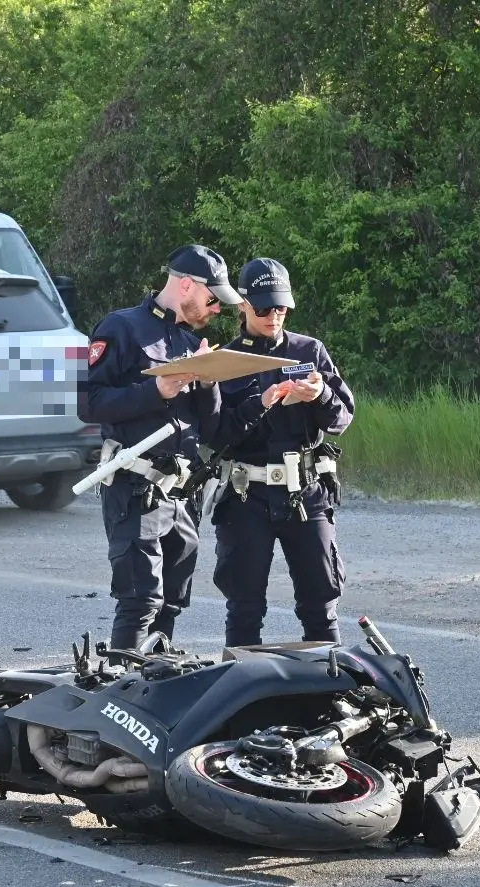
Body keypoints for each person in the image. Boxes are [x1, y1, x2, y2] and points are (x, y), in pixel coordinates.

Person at [81, 244, 238, 650]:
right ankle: (119, 693)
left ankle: (154, 684)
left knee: (171, 600)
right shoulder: (121, 328)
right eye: (212, 299)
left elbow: (211, 426)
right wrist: (154, 390)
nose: (216, 309)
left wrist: (209, 382)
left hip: (182, 493)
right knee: (139, 599)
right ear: (186, 285)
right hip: (136, 489)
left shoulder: (188, 341)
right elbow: (90, 404)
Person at [207, 258, 355, 647]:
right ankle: (239, 700)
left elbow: (342, 418)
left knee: (320, 602)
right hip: (245, 495)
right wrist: (261, 403)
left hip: (305, 492)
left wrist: (320, 394)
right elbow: (216, 433)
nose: (274, 316)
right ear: (243, 305)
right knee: (244, 606)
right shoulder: (226, 361)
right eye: (263, 307)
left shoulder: (310, 350)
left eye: (281, 307)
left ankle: (330, 694)